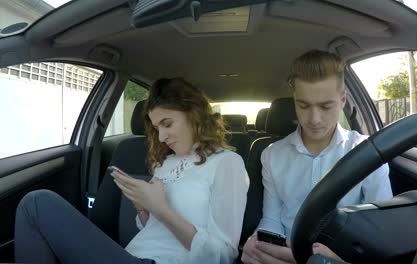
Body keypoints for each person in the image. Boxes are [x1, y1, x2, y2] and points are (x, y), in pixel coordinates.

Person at [15, 77, 250, 264]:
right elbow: (155, 231)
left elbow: (222, 256)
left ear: (195, 115)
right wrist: (144, 208)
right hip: (129, 255)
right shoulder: (165, 163)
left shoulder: (227, 163)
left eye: (167, 124)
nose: (161, 136)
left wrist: (161, 208)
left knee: (36, 204)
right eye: (157, 128)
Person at [241, 50, 393, 264]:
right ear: (294, 100)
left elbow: (380, 230)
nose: (314, 118)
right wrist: (258, 243)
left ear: (342, 101)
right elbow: (272, 219)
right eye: (303, 105)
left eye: (325, 106)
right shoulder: (272, 155)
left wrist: (343, 257)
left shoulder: (368, 153)